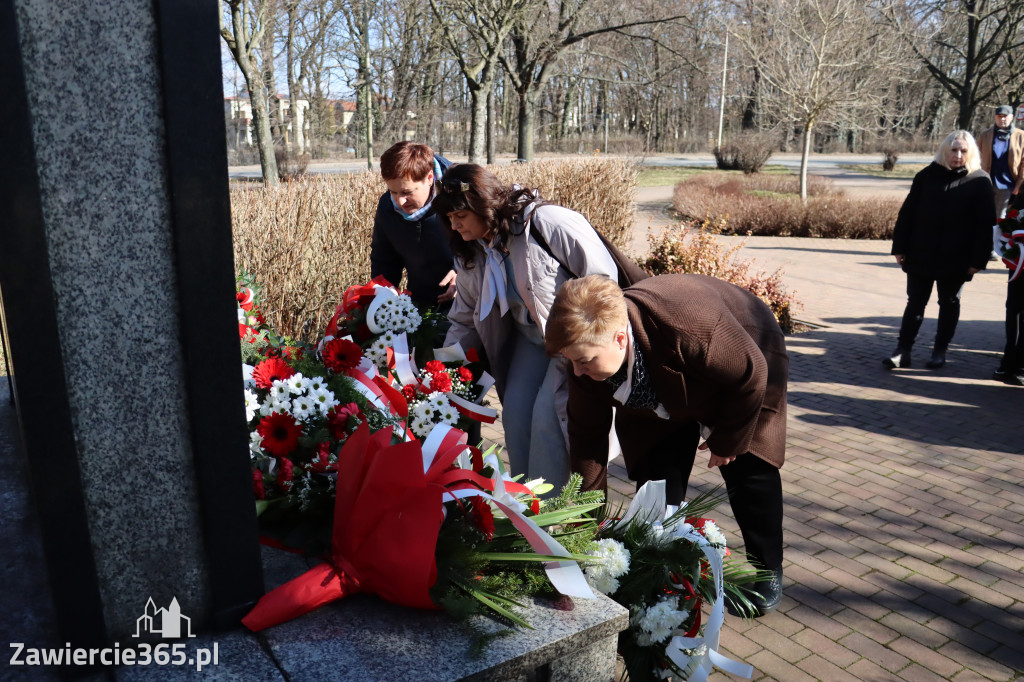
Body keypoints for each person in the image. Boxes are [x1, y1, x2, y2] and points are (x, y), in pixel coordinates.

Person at [545, 274, 789, 617]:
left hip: (746, 355)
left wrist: (727, 439)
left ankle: (768, 572)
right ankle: (665, 568)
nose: (578, 371)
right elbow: (588, 440)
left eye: (584, 361)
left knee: (749, 466)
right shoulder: (587, 355)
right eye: (571, 361)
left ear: (619, 338)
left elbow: (752, 373)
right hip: (663, 383)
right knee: (657, 481)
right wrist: (585, 529)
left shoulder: (690, 325)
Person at [432, 164, 617, 490]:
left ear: (482, 204)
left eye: (460, 213)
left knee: (548, 422)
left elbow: (605, 282)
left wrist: (591, 348)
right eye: (448, 218)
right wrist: (440, 369)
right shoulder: (472, 250)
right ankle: (521, 504)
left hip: (571, 345)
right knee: (516, 419)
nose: (454, 224)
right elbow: (463, 317)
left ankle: (549, 518)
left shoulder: (547, 224)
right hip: (529, 342)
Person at [885, 130, 996, 370]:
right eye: (953, 150)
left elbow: (985, 226)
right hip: (921, 251)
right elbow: (907, 214)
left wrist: (978, 260)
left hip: (957, 257)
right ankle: (902, 350)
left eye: (963, 151)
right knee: (915, 303)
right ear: (944, 151)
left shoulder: (980, 180)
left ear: (971, 153)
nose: (957, 155)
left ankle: (939, 351)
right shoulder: (926, 176)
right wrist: (900, 247)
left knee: (949, 303)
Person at [370, 141, 457, 311]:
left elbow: (487, 248)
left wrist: (465, 275)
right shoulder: (387, 207)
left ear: (430, 178)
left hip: (468, 305)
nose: (400, 201)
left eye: (407, 192)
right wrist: (381, 307)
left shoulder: (461, 194)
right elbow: (384, 262)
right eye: (393, 192)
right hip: (419, 306)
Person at [977, 105, 1024, 218]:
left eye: (1005, 116)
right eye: (999, 116)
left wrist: (1018, 186)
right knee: (984, 213)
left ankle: (996, 234)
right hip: (987, 180)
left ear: (1011, 117)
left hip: (1008, 183)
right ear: (995, 118)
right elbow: (976, 156)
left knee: (1000, 215)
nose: (1002, 119)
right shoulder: (985, 135)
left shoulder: (1021, 136)